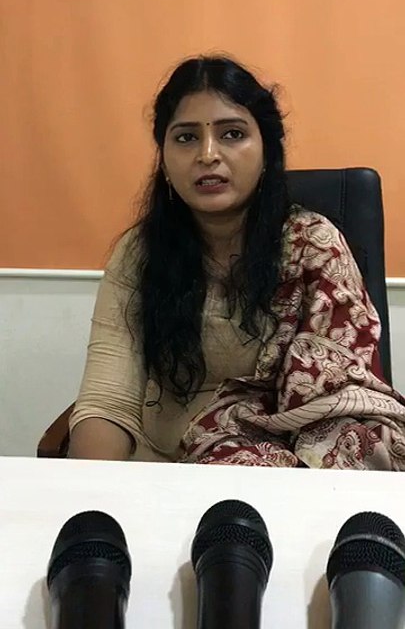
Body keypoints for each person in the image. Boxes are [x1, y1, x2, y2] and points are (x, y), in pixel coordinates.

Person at [69, 55, 405, 469]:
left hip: (301, 468)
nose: (208, 154)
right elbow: (108, 402)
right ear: (165, 159)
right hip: (167, 469)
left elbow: (338, 401)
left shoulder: (314, 246)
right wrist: (91, 494)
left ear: (266, 151)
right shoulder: (141, 253)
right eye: (186, 137)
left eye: (232, 134)